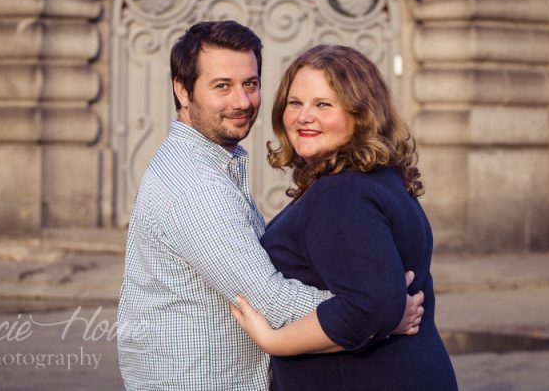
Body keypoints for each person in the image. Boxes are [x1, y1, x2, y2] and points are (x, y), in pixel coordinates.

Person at [117, 21, 423, 391]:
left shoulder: (213, 167)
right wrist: (379, 311)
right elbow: (270, 302)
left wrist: (373, 306)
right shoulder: (195, 186)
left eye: (250, 83)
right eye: (222, 86)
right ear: (182, 90)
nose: (242, 102)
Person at [231, 45, 459, 390]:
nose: (304, 116)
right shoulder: (378, 178)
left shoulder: (342, 193)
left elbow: (370, 307)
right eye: (295, 103)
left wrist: (274, 342)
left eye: (324, 104)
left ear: (362, 113)